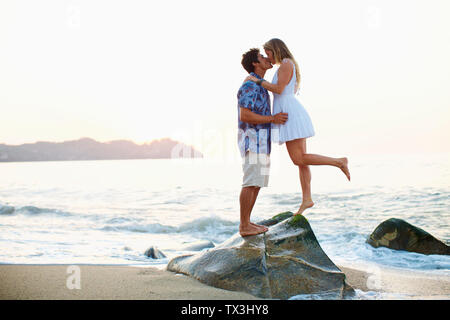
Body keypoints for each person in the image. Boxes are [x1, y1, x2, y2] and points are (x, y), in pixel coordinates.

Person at [246, 38, 351, 216]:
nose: (268, 57)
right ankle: (306, 199)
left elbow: (279, 89)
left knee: (299, 159)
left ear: (275, 50)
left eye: (268, 52)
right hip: (290, 111)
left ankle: (339, 162)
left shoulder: (286, 64)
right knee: (302, 161)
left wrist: (257, 81)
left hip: (290, 114)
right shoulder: (286, 64)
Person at [237, 48, 288, 237]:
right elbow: (245, 114)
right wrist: (273, 119)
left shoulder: (259, 86)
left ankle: (247, 222)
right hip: (252, 140)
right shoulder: (249, 86)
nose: (267, 58)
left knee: (257, 183)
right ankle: (244, 225)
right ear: (255, 64)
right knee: (250, 182)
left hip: (262, 141)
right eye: (262, 57)